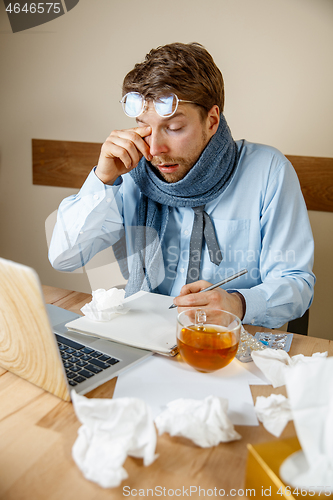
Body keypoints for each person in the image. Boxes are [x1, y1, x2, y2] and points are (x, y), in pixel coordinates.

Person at [49, 42, 315, 328]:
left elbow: (297, 284)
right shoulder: (131, 171)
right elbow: (65, 257)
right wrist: (103, 179)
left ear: (212, 121)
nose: (156, 148)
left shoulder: (268, 171)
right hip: (142, 338)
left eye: (174, 128)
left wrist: (237, 303)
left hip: (226, 344)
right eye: (146, 127)